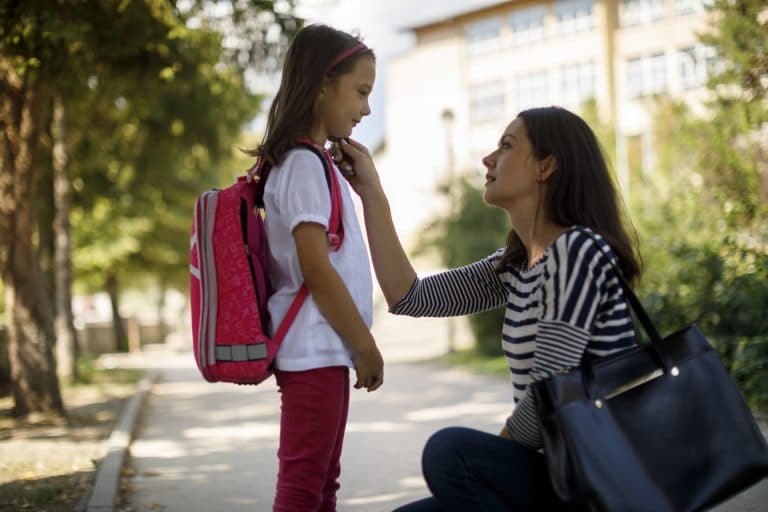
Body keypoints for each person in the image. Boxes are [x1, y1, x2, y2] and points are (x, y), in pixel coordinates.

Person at [336, 106, 642, 511]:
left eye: (507, 145)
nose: (488, 159)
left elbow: (549, 396)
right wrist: (371, 192)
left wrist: (489, 462)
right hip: (555, 472)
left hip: (600, 481)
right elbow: (410, 296)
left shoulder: (577, 250)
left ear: (546, 167)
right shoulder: (517, 265)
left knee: (452, 453)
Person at [243, 24, 384, 512]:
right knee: (304, 486)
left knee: (322, 484)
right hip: (314, 350)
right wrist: (365, 346)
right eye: (361, 92)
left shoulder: (311, 163)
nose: (366, 108)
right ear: (324, 83)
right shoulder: (303, 165)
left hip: (324, 351)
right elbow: (316, 268)